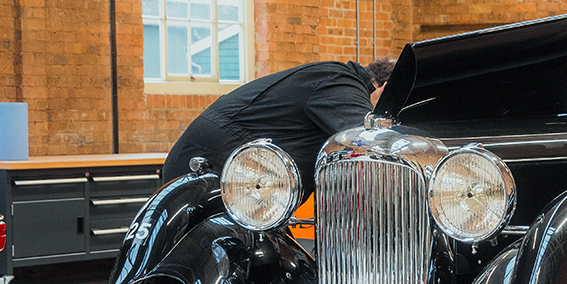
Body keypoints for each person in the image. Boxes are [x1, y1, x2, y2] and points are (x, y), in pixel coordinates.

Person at [162, 56, 396, 193]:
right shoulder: (343, 83)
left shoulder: (334, 78)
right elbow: (371, 140)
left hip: (232, 168)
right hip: (212, 163)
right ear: (386, 89)